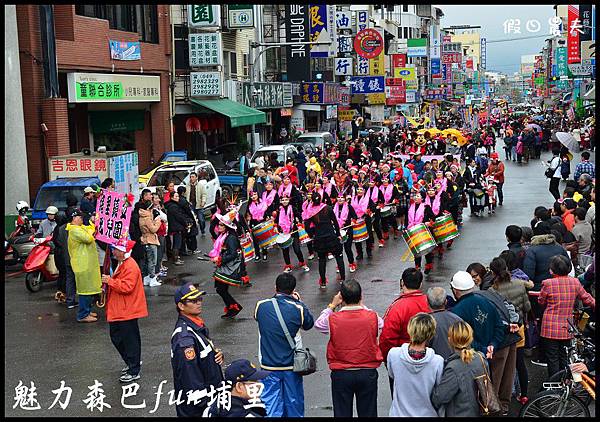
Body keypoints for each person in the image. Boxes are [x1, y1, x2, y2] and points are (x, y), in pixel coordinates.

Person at [314, 280, 383, 417]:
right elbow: (381, 324)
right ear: (361, 296)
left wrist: (332, 305)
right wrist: (362, 305)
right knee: (368, 413)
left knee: (342, 413)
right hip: (367, 371)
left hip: (342, 373)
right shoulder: (371, 317)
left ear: (342, 298)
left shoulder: (333, 318)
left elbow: (318, 324)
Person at [254, 273, 314, 417]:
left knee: (271, 406)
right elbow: (308, 324)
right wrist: (299, 302)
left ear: (275, 287)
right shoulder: (298, 308)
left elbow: (258, 318)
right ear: (293, 290)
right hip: (291, 366)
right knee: (294, 405)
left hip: (268, 366)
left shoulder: (260, 306)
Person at [171, 283, 225, 417]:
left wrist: (215, 354)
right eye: (193, 301)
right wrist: (207, 404)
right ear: (181, 306)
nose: (199, 303)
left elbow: (202, 353)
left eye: (200, 299)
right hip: (199, 408)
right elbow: (190, 376)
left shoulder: (196, 324)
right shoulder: (184, 338)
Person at [538, 255, 595, 378]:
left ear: (552, 270)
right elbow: (587, 298)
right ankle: (565, 381)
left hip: (550, 327)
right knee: (564, 355)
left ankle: (554, 384)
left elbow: (541, 301)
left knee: (552, 357)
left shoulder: (547, 284)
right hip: (567, 326)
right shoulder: (575, 282)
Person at [102, 239, 148, 383]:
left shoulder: (130, 266)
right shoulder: (123, 263)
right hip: (121, 309)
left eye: (115, 249)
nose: (113, 251)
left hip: (127, 309)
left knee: (129, 340)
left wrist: (110, 281)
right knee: (118, 337)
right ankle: (131, 362)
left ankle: (134, 368)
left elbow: (127, 287)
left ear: (122, 251)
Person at [489, 257, 531, 413]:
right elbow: (527, 306)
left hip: (502, 332)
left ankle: (498, 400)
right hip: (518, 329)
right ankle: (524, 394)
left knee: (501, 368)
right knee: (518, 364)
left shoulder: (492, 291)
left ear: (493, 272)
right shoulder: (520, 285)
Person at [379, 268, 431, 389]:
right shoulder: (429, 303)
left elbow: (387, 338)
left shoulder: (397, 307)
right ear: (421, 284)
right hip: (427, 358)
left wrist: (390, 360)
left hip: (403, 362)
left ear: (402, 283)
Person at [387, 312, 444, 417]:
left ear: (410, 330)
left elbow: (392, 374)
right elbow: (438, 390)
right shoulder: (437, 362)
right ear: (431, 334)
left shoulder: (393, 354)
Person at [431, 320, 487, 417]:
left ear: (450, 340)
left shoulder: (453, 368)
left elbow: (439, 398)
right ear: (471, 338)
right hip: (480, 412)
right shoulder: (481, 358)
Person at [449, 271, 505, 359]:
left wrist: (484, 349)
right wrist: (493, 345)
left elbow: (462, 339)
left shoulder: (456, 312)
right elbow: (499, 326)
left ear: (455, 290)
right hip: (492, 353)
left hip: (471, 358)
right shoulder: (486, 301)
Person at [65, 209, 102, 322]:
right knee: (85, 291)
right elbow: (89, 238)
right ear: (73, 218)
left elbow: (91, 229)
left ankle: (87, 311)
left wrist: (92, 223)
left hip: (87, 264)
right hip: (82, 265)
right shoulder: (74, 230)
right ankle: (82, 315)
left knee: (89, 289)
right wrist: (91, 230)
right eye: (79, 217)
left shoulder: (80, 228)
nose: (81, 219)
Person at [303, 191, 345, 288]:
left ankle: (323, 282)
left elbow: (307, 226)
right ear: (321, 199)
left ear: (311, 200)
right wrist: (338, 234)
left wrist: (311, 235)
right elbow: (335, 222)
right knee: (339, 257)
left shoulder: (310, 211)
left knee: (322, 260)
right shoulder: (328, 208)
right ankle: (343, 278)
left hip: (319, 238)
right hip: (331, 236)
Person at [210, 210, 245, 318]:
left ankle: (234, 307)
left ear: (227, 227)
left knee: (221, 289)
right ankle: (232, 307)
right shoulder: (223, 236)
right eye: (218, 224)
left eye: (221, 225)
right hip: (225, 265)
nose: (218, 226)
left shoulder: (231, 238)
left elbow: (233, 254)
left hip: (229, 267)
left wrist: (220, 259)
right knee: (221, 289)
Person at [523, 222, 570, 289]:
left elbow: (529, 274)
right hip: (560, 285)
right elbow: (568, 267)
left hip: (540, 287)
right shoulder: (560, 248)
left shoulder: (532, 250)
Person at [426, 287, 464, 361]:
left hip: (433, 363)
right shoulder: (458, 320)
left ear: (427, 302)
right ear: (446, 302)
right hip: (455, 363)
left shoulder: (425, 322)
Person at [138, 197, 162, 287]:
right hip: (150, 240)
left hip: (145, 240)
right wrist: (158, 221)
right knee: (152, 261)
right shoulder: (147, 217)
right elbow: (153, 229)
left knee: (147, 261)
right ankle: (152, 278)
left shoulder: (142, 216)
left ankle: (146, 278)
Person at [165, 191, 190, 265]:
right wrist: (185, 223)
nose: (177, 198)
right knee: (177, 244)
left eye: (178, 196)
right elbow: (179, 217)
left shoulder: (171, 205)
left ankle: (176, 257)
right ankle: (175, 259)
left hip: (174, 226)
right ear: (172, 197)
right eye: (176, 196)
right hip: (176, 227)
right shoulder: (174, 206)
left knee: (176, 243)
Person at [185, 171, 208, 237]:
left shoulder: (200, 185)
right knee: (192, 220)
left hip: (199, 205)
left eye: (193, 177)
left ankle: (202, 230)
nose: (191, 178)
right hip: (190, 205)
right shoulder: (187, 185)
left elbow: (204, 194)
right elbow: (185, 194)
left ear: (196, 178)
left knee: (201, 220)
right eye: (190, 177)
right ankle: (193, 232)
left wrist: (203, 202)